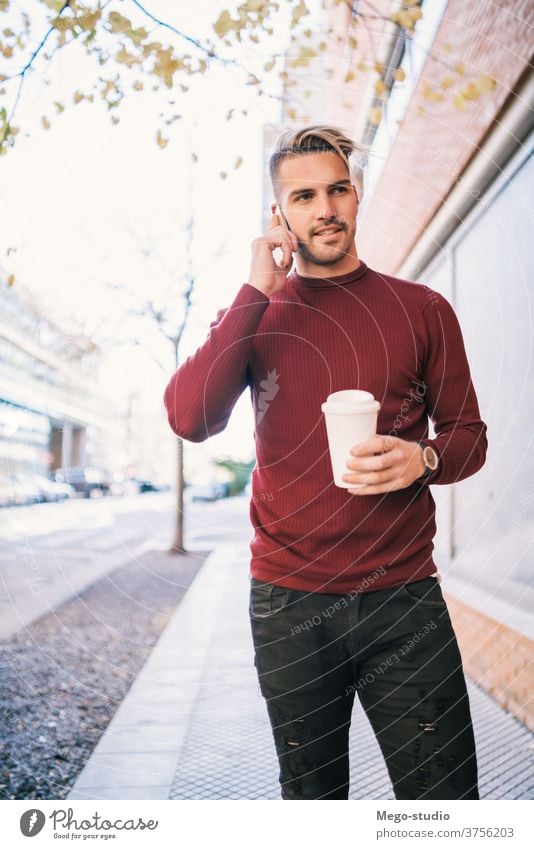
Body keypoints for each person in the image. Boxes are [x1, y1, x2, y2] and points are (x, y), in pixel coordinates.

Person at [163, 125, 488, 800]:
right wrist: (255, 289)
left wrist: (421, 457)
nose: (326, 208)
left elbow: (470, 436)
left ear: (357, 194)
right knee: (312, 805)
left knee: (448, 807)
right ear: (279, 215)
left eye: (337, 188)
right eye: (304, 196)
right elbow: (190, 417)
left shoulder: (422, 309)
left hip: (403, 598)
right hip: (288, 605)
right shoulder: (256, 317)